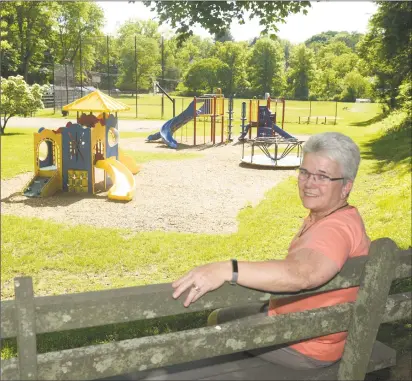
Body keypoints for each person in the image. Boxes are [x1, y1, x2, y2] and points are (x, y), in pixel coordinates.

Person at [172, 132, 371, 370]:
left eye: (323, 176)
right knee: (220, 317)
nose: (308, 183)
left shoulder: (334, 229)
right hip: (305, 326)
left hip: (304, 345)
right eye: (305, 172)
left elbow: (303, 274)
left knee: (209, 338)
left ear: (346, 186)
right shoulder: (341, 217)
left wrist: (228, 269)